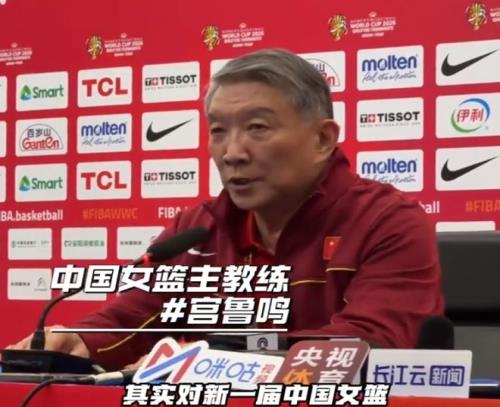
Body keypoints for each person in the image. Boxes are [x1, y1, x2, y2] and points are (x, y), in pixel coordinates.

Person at [8, 48, 444, 370]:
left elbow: (367, 344)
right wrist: (80, 340)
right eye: (218, 131)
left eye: (257, 127)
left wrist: (210, 362)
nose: (232, 152)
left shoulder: (387, 222)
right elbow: (135, 315)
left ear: (322, 139)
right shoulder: (198, 228)